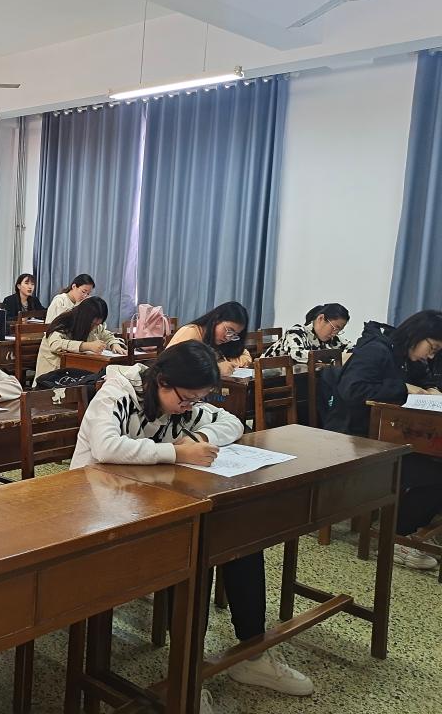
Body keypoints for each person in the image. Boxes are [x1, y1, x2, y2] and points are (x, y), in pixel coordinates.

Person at [71, 341, 313, 712]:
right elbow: (106, 447)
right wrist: (177, 452)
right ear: (162, 382)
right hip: (97, 509)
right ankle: (187, 675)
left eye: (198, 400)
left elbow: (233, 422)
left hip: (153, 501)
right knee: (195, 549)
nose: (191, 407)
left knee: (240, 542)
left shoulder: (184, 400)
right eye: (186, 399)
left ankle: (252, 653)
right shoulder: (118, 392)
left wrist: (200, 438)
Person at [322, 310, 442, 570]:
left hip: (386, 434)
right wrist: (404, 389)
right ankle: (396, 537)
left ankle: (408, 530)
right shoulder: (376, 350)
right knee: (434, 474)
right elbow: (352, 389)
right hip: (351, 437)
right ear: (417, 336)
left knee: (434, 464)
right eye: (431, 348)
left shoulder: (404, 355)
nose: (431, 356)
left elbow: (422, 380)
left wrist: (432, 389)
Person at [35, 297, 127, 379]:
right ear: (85, 318)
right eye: (93, 324)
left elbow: (105, 334)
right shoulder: (64, 322)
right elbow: (55, 344)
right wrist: (86, 346)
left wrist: (114, 344)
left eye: (98, 324)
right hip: (52, 375)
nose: (95, 327)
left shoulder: (95, 325)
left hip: (77, 370)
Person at [167, 301, 252, 376]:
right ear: (216, 319)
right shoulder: (191, 332)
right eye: (229, 331)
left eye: (234, 334)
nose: (228, 338)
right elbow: (172, 366)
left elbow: (245, 356)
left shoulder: (222, 341)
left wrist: (228, 364)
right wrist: (215, 368)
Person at [261, 304, 353, 364]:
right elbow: (297, 354)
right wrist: (335, 359)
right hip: (268, 377)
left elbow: (353, 349)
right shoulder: (295, 332)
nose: (335, 333)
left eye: (339, 330)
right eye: (334, 328)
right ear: (321, 318)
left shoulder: (332, 339)